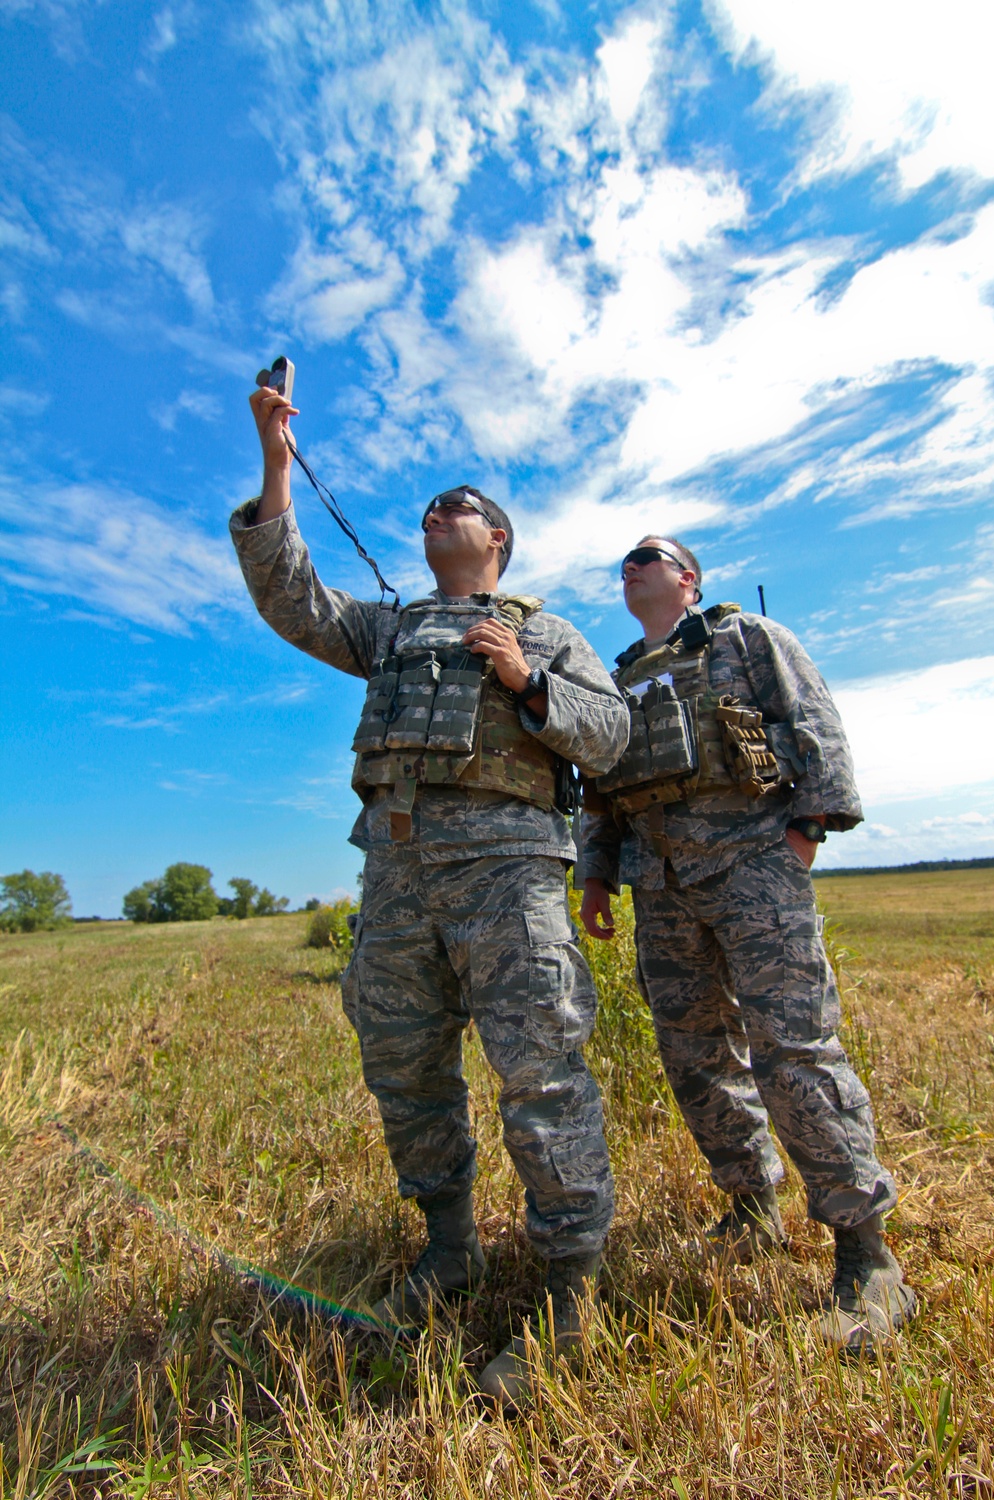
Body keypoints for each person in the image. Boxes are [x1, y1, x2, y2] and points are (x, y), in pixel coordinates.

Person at [231, 381, 629, 1405]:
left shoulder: (546, 634)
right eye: (428, 507)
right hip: (397, 876)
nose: (436, 511)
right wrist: (277, 460)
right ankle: (449, 1248)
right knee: (404, 1070)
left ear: (496, 537)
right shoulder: (389, 629)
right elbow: (291, 601)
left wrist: (524, 685)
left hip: (510, 880)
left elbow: (612, 736)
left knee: (541, 1075)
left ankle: (570, 1292)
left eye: (459, 503)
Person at [578, 536, 915, 1351]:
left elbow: (814, 722)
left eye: (649, 555)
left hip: (753, 870)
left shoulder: (747, 640)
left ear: (688, 579)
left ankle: (866, 1255)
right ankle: (751, 1203)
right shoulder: (618, 680)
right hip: (660, 886)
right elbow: (602, 788)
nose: (632, 564)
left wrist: (806, 830)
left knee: (793, 1049)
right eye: (624, 559)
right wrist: (596, 874)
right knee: (695, 1056)